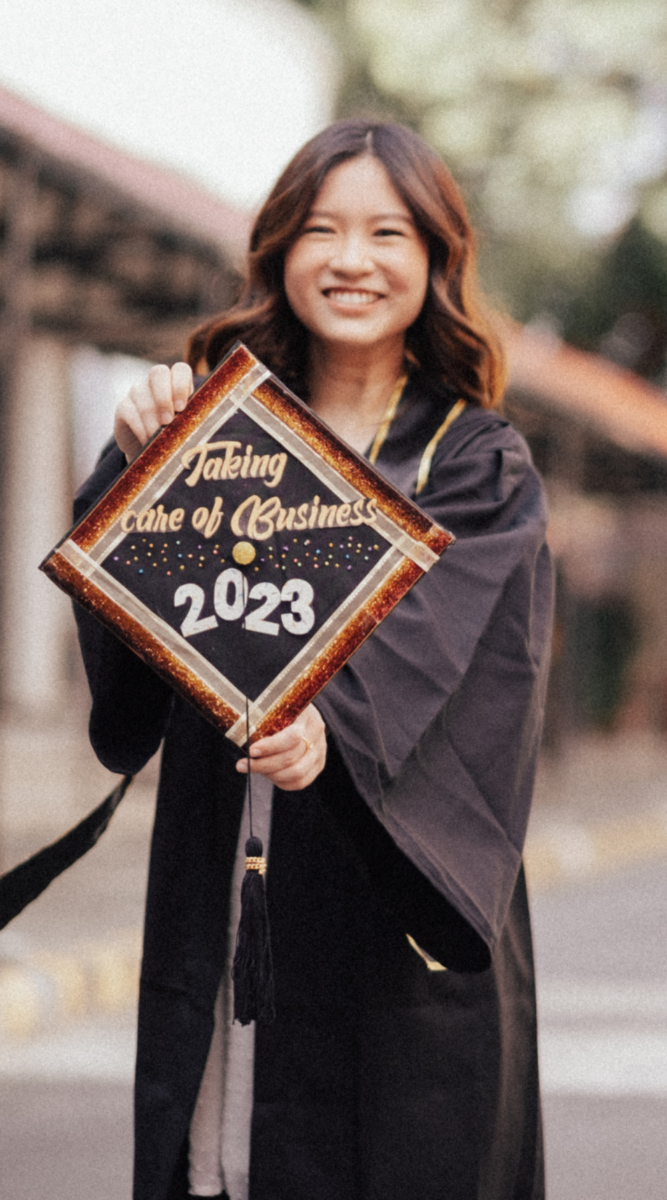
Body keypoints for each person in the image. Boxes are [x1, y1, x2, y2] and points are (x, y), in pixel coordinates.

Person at [74, 119, 553, 1200]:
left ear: (434, 260)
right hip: (228, 861)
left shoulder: (474, 460)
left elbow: (457, 650)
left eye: (388, 233)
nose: (352, 259)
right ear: (281, 248)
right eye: (322, 229)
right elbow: (139, 638)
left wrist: (328, 729)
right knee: (222, 1157)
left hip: (383, 894)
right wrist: (139, 464)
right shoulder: (213, 426)